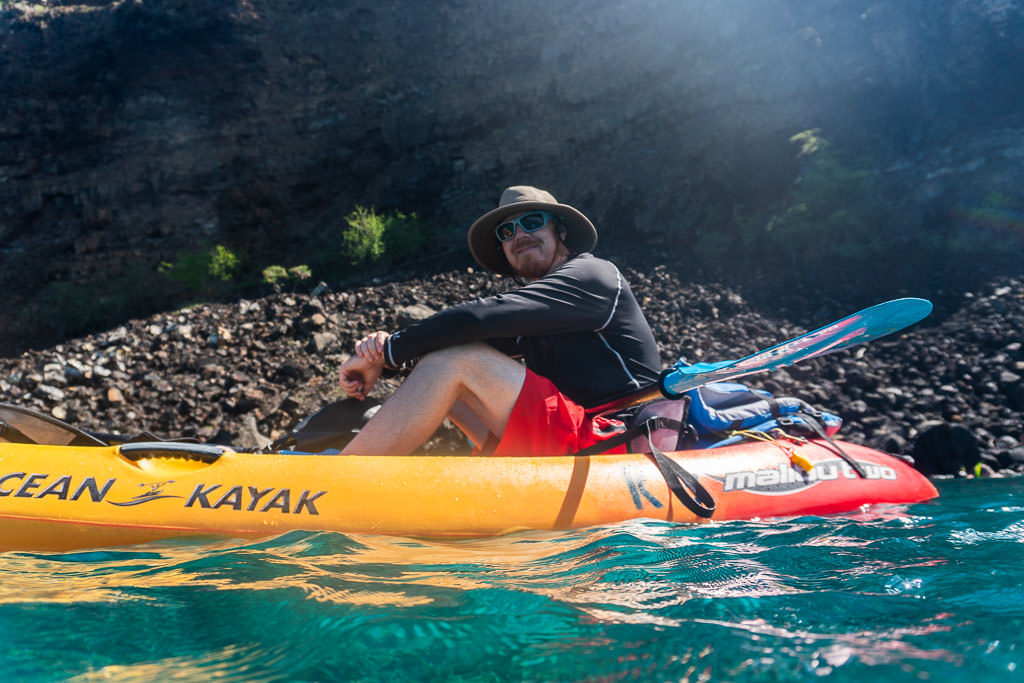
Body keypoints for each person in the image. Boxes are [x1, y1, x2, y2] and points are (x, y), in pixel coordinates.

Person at [337, 185, 662, 456]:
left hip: (618, 437)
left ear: (560, 230)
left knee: (455, 360)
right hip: (573, 435)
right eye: (507, 231)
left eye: (532, 222)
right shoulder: (538, 315)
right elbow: (446, 344)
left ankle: (339, 483)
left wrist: (392, 348)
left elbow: (474, 319)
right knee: (443, 360)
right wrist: (380, 360)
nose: (519, 235)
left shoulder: (593, 274)